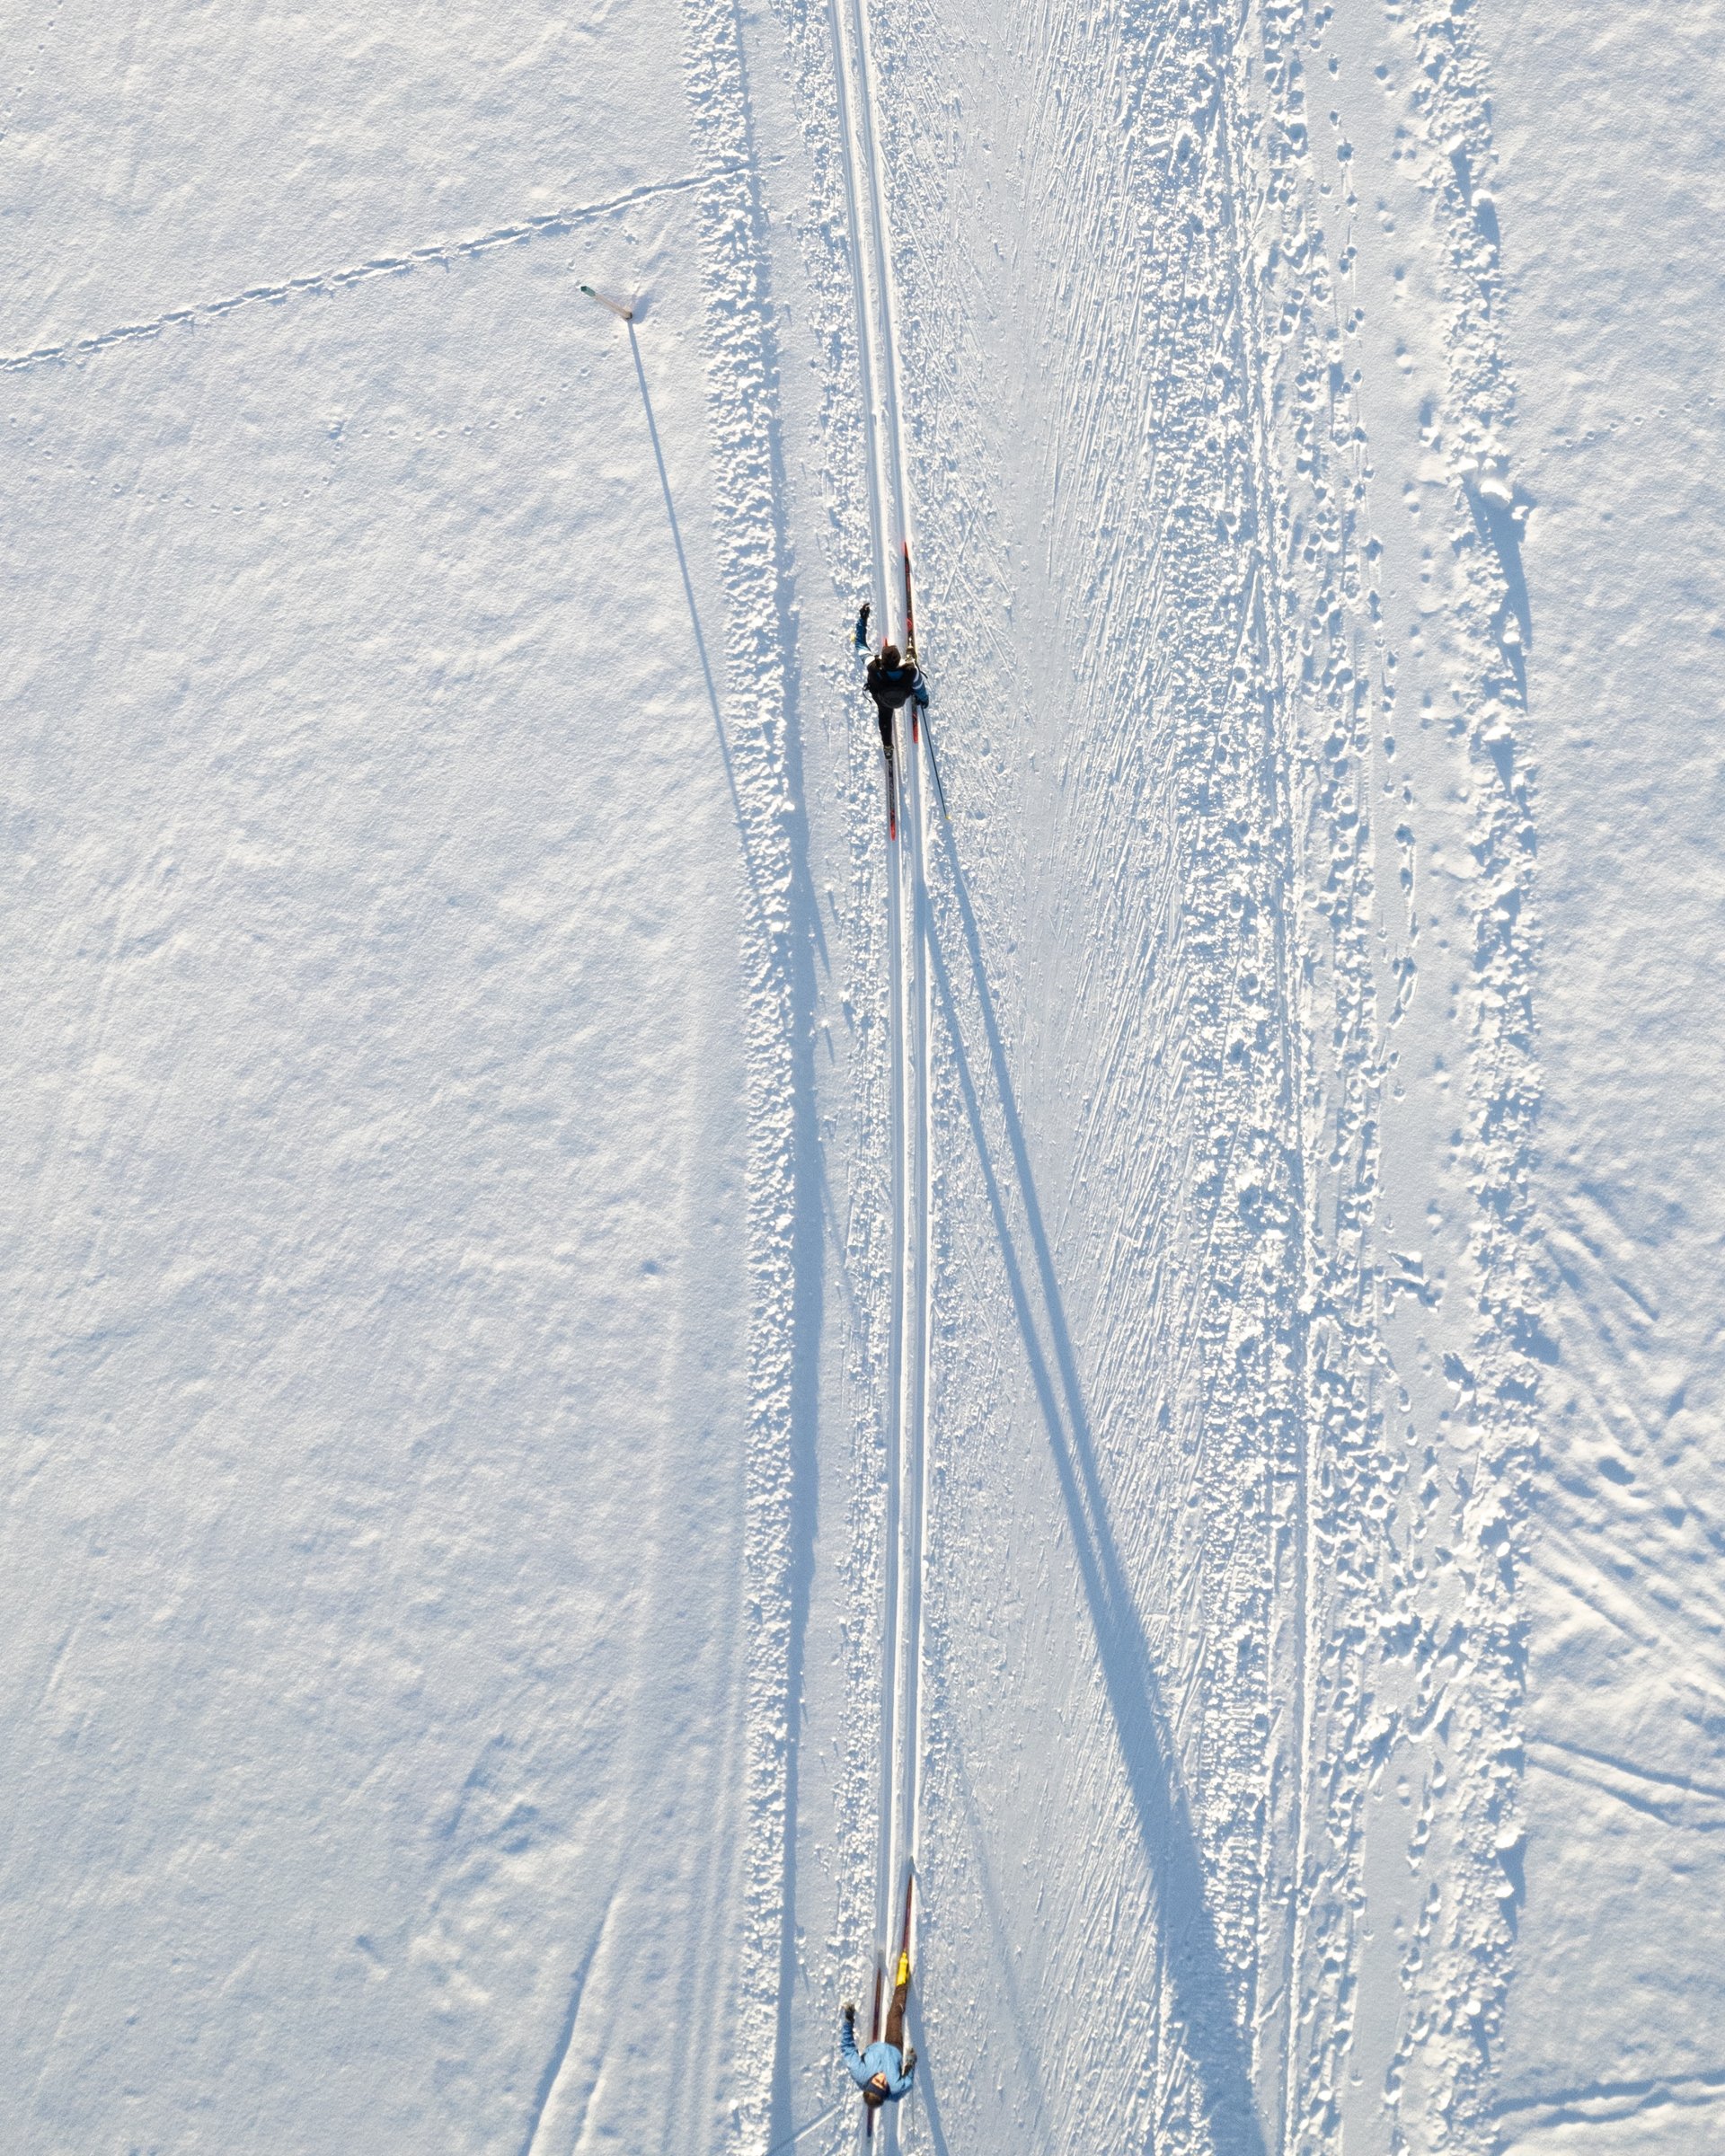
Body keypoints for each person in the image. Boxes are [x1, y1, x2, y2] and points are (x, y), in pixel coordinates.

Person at [840, 1952, 917, 2114]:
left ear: (868, 2081)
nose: (882, 2078)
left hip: (874, 2049)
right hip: (893, 2048)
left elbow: (847, 2048)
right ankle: (902, 1981)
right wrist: (910, 2063)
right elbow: (908, 2083)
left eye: (877, 2080)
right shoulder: (895, 2090)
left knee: (890, 2018)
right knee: (894, 2014)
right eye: (884, 2085)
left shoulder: (859, 2072)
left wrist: (848, 2020)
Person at [864, 642, 929, 761]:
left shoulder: (874, 670)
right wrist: (924, 699)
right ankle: (910, 656)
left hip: (884, 701)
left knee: (884, 717)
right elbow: (919, 686)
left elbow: (872, 686)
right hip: (903, 696)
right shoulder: (910, 670)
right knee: (912, 681)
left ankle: (888, 746)